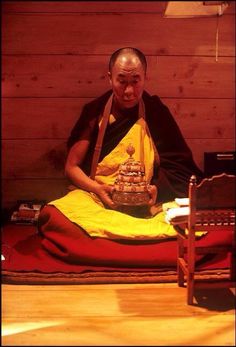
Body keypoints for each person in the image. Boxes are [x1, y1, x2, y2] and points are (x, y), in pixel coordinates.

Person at [46, 47, 204, 240]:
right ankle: (141, 241)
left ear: (145, 78)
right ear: (110, 77)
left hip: (146, 203)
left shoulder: (156, 112)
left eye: (135, 81)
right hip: (99, 199)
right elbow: (71, 167)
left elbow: (180, 169)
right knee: (54, 216)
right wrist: (97, 189)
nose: (129, 91)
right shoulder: (95, 112)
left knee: (185, 218)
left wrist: (157, 189)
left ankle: (111, 240)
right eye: (121, 81)